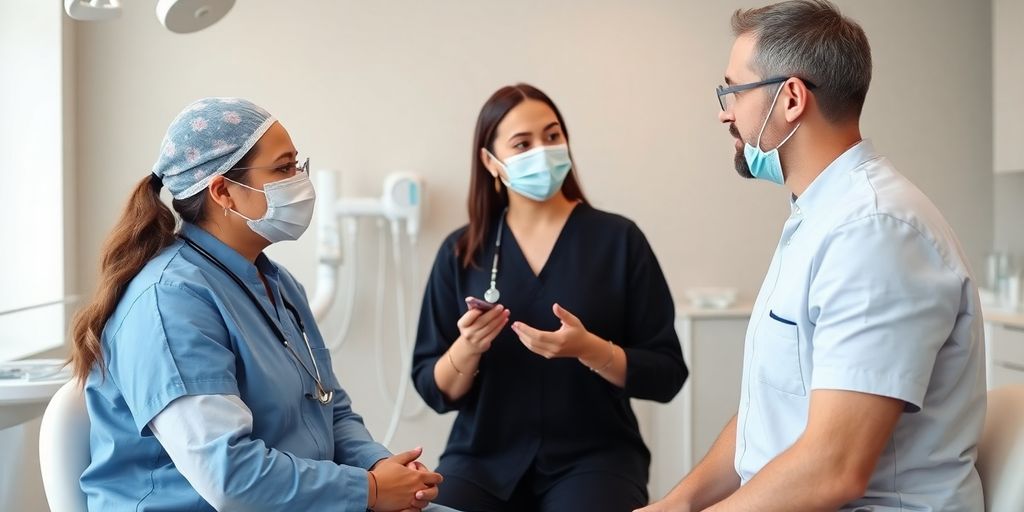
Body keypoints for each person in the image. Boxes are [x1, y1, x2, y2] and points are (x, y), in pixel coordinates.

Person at [639, 2, 986, 511]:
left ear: (791, 98)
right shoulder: (821, 218)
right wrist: (676, 505)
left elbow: (833, 469)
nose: (724, 112)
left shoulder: (875, 232)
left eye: (733, 91)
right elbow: (770, 412)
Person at [70, 97, 450, 511]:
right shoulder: (169, 302)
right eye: (284, 168)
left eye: (297, 166)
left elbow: (330, 408)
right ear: (223, 192)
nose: (301, 180)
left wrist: (380, 467)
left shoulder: (278, 284)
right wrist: (368, 490)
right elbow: (228, 477)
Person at [411, 83, 689, 512]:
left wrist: (591, 350)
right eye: (522, 143)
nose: (542, 150)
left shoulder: (619, 240)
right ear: (491, 162)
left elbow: (668, 374)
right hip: (483, 458)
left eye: (552, 135)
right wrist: (467, 349)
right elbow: (434, 389)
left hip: (596, 457)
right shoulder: (460, 252)